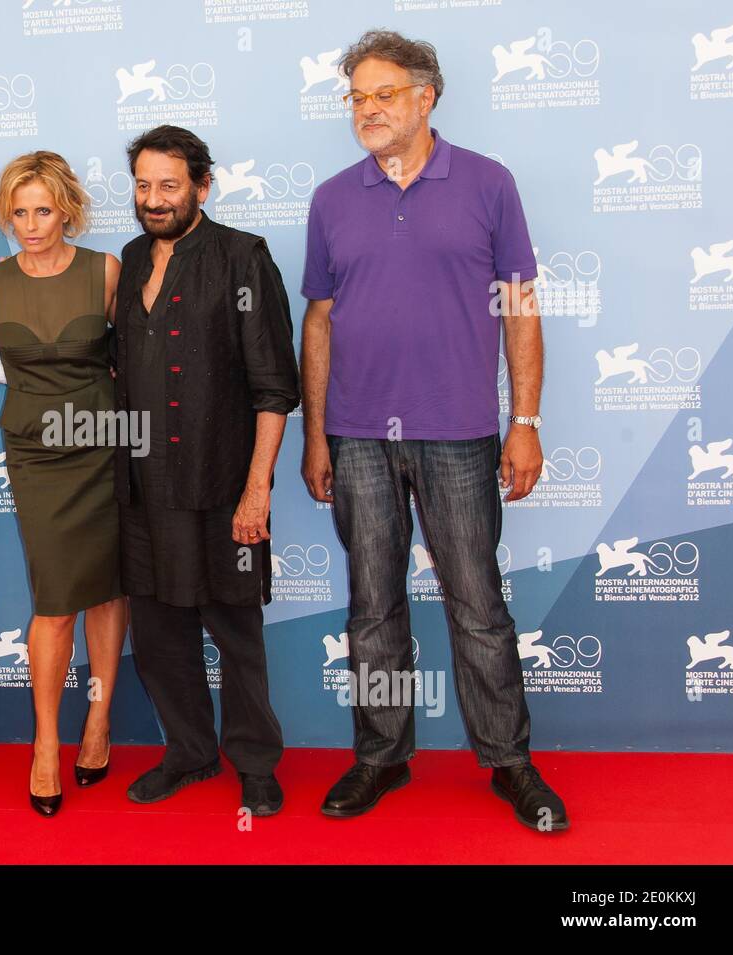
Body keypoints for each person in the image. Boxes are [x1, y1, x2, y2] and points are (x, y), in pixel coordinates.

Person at [300, 30, 567, 831]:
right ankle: (382, 755)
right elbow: (318, 321)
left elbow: (520, 309)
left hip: (459, 434)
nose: (367, 110)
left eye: (384, 94)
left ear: (427, 96)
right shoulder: (333, 198)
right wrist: (317, 435)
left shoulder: (489, 184)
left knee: (477, 605)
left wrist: (525, 421)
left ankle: (509, 762)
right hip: (355, 438)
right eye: (356, 97)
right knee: (372, 606)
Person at [114, 125, 300, 817]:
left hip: (222, 483)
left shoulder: (243, 258)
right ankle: (190, 754)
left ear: (201, 185)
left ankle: (255, 761)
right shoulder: (131, 259)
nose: (154, 199)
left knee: (236, 631)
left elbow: (275, 386)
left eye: (169, 185)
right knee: (159, 637)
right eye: (142, 185)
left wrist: (257, 489)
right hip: (141, 488)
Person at [0, 151, 127, 817]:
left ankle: (99, 723)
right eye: (19, 212)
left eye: (43, 211)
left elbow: (140, 355)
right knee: (55, 601)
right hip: (37, 457)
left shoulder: (104, 271)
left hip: (106, 450)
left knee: (110, 592)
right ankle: (46, 743)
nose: (30, 224)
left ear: (68, 211)